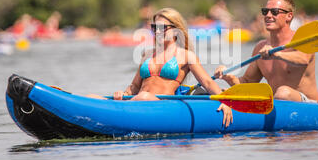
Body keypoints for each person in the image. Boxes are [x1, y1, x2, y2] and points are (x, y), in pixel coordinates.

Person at [90, 8, 233, 127]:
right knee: (91, 97)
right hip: (137, 101)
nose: (157, 32)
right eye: (154, 28)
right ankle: (112, 110)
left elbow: (207, 83)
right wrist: (122, 94)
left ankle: (114, 113)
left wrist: (224, 101)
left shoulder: (186, 55)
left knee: (144, 97)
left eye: (162, 28)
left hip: (163, 107)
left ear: (176, 30)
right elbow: (134, 86)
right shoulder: (147, 54)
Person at [214, 0, 318, 105]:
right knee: (225, 91)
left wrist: (277, 54)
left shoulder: (302, 39)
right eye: (265, 11)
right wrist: (227, 76)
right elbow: (247, 82)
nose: (268, 15)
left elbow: (303, 59)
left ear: (289, 16)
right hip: (277, 103)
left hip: (310, 105)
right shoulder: (260, 47)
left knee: (283, 93)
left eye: (274, 12)